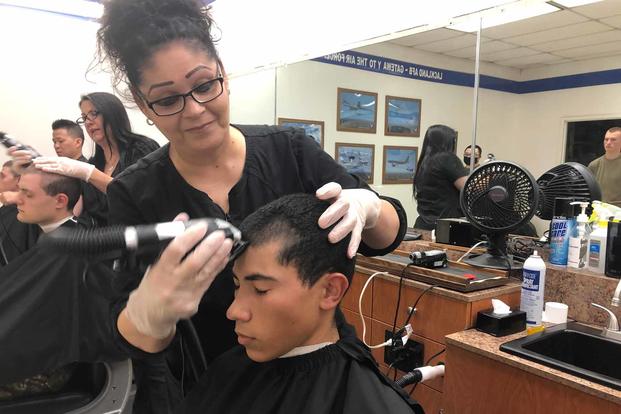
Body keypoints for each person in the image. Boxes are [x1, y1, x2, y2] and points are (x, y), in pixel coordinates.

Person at [95, 0, 406, 411]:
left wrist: (368, 206)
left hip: (317, 374)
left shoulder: (290, 151)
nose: (195, 111)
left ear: (222, 72)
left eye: (204, 86)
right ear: (141, 101)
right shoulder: (135, 194)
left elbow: (384, 237)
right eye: (168, 100)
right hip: (207, 386)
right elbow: (128, 332)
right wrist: (147, 313)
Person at [158, 194, 420, 413]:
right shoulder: (227, 372)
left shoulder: (372, 404)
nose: (233, 310)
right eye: (237, 285)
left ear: (330, 290)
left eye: (260, 290)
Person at [11, 92, 160, 226]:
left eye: (94, 114)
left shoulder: (141, 148)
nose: (88, 122)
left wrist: (89, 173)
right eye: (84, 117)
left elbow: (140, 198)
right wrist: (31, 169)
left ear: (113, 114)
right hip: (103, 245)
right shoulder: (95, 163)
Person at [0, 166, 81, 400]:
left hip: (46, 366)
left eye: (28, 194)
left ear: (60, 200)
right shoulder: (45, 237)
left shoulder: (73, 250)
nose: (18, 200)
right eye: (19, 192)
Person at [413, 124, 468, 230]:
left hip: (423, 225)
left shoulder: (424, 162)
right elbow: (468, 188)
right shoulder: (447, 158)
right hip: (446, 228)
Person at [588, 127, 621, 207]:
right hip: (597, 213)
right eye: (606, 139)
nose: (608, 142)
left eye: (613, 139)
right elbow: (587, 191)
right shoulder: (594, 165)